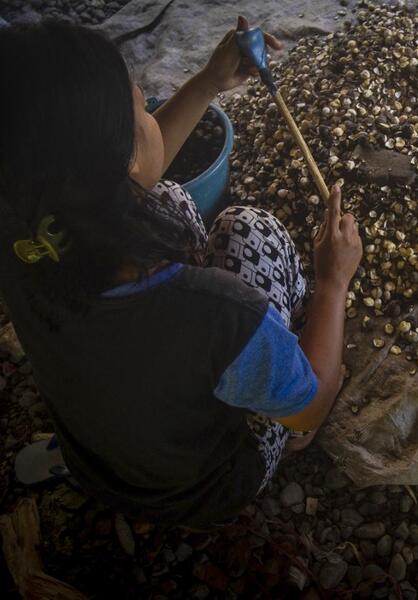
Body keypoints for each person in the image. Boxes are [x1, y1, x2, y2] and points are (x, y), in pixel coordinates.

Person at [0, 18, 362, 529]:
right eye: (138, 105)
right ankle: (284, 429)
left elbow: (127, 179)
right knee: (251, 229)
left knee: (165, 198)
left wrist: (206, 84)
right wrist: (333, 282)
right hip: (202, 486)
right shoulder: (220, 313)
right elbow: (307, 407)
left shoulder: (24, 229)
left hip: (100, 461)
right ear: (121, 158)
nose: (147, 101)